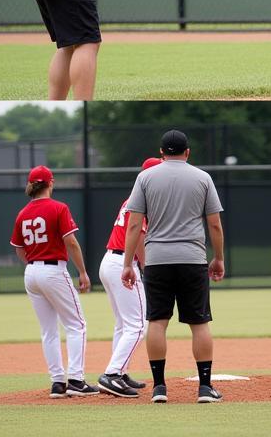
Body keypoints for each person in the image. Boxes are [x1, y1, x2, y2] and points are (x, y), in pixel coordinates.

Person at [122, 129, 225, 405]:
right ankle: (205, 388)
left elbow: (134, 224)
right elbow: (214, 223)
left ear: (161, 152)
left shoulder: (145, 177)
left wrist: (128, 263)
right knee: (199, 322)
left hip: (156, 260)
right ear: (187, 152)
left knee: (156, 321)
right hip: (192, 258)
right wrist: (219, 258)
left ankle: (159, 388)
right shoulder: (203, 177)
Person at [10, 166, 98, 398]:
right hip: (53, 270)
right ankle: (76, 380)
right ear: (51, 183)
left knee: (48, 330)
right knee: (76, 325)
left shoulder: (22, 213)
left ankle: (57, 383)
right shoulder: (58, 207)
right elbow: (71, 242)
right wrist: (82, 271)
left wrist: (32, 263)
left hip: (32, 272)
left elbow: (19, 249)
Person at [97, 157, 163, 397]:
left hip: (109, 261)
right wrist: (147, 268)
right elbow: (139, 239)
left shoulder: (132, 198)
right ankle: (112, 374)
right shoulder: (145, 199)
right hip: (123, 264)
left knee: (123, 324)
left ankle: (120, 373)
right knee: (136, 327)